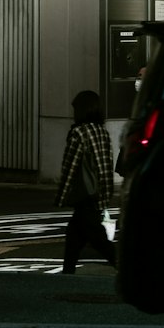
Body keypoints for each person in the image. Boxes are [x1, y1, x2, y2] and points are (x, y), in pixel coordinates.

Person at [54, 89, 117, 274]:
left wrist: (61, 196)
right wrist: (105, 197)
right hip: (97, 196)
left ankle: (129, 270)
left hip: (85, 196)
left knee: (100, 241)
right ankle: (67, 273)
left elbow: (70, 168)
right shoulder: (103, 132)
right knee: (74, 236)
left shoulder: (78, 133)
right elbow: (106, 167)